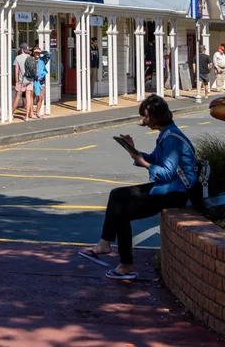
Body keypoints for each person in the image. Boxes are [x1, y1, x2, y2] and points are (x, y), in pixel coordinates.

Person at [79, 95, 197, 280]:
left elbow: (167, 172)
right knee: (117, 194)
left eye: (146, 116)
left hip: (175, 192)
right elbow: (154, 159)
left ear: (156, 117)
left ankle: (126, 264)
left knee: (123, 212)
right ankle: (104, 242)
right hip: (166, 187)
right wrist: (133, 150)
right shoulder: (167, 134)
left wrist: (144, 163)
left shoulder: (171, 138)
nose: (144, 120)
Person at [12, 42, 36, 121]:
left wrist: (16, 81)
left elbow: (16, 71)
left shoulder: (18, 58)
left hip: (21, 81)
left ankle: (11, 113)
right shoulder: (31, 58)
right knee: (29, 98)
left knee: (17, 97)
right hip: (30, 80)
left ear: (21, 49)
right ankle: (26, 116)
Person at [33, 49, 49, 118]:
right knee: (33, 97)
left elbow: (49, 54)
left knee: (41, 97)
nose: (37, 54)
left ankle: (38, 112)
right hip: (33, 81)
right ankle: (31, 112)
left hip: (41, 81)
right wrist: (35, 77)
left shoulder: (42, 59)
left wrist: (42, 52)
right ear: (33, 53)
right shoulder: (31, 60)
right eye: (35, 52)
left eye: (38, 53)